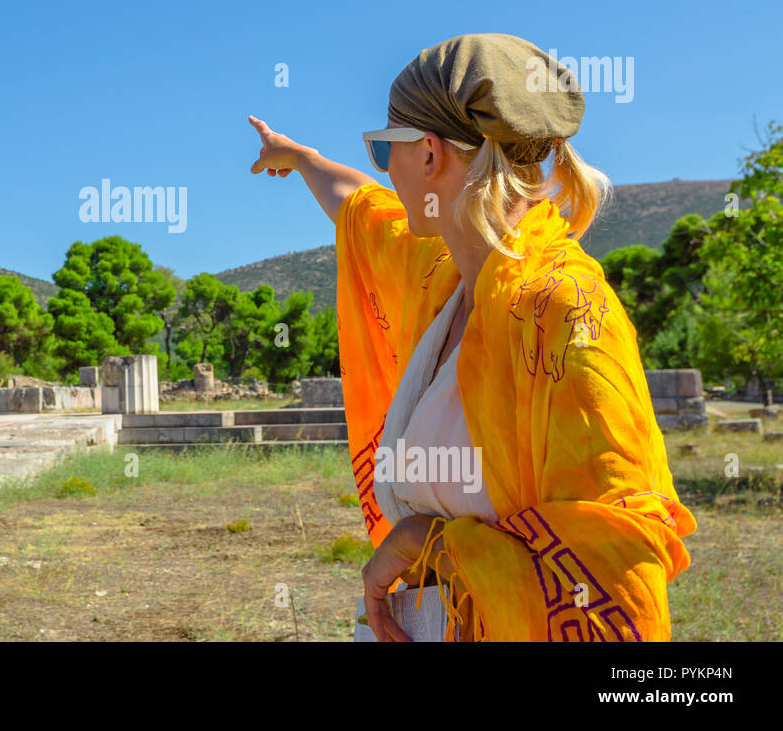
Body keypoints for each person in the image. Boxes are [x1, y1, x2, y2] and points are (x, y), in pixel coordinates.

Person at [248, 33, 696, 642]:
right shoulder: (444, 277)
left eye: (385, 150)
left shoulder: (564, 313)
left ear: (428, 155)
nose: (384, 171)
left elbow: (622, 563)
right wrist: (299, 157)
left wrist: (425, 540)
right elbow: (358, 204)